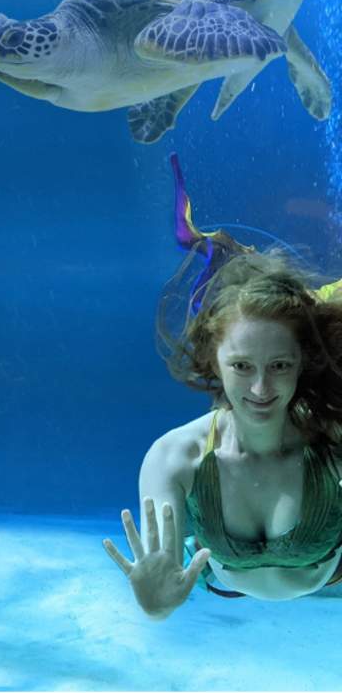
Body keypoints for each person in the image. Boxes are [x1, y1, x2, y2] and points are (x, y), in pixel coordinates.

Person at [103, 154, 342, 619]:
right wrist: (155, 603)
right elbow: (165, 574)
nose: (260, 388)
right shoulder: (174, 458)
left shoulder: (333, 439)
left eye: (278, 364)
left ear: (302, 363)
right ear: (214, 362)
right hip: (225, 582)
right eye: (240, 366)